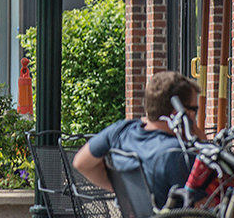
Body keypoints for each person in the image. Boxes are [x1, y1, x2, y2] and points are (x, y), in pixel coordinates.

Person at [73, 70, 199, 208]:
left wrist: (124, 191)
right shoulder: (178, 154)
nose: (195, 117)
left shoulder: (121, 131)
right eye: (194, 109)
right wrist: (200, 141)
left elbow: (81, 163)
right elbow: (206, 207)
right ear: (178, 112)